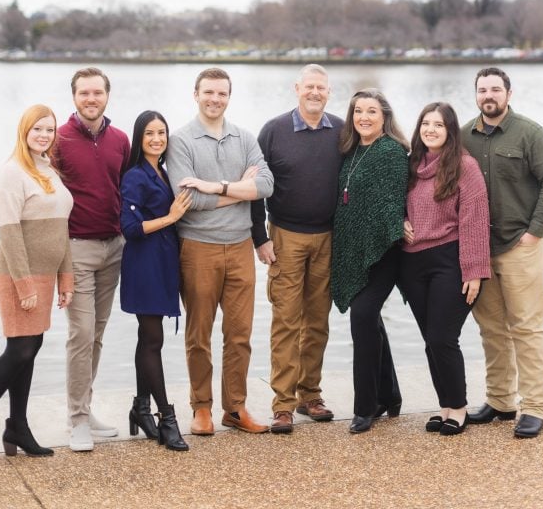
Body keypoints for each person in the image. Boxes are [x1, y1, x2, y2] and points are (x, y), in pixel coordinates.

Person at [0, 105, 74, 465]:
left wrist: (65, 276)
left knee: (31, 348)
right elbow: (9, 233)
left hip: (45, 273)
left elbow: (61, 229)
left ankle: (18, 427)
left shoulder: (49, 169)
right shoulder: (12, 172)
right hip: (16, 273)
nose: (44, 135)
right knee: (19, 351)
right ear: (24, 131)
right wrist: (25, 285)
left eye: (50, 129)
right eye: (37, 129)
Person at [166, 67, 274, 436]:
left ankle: (235, 407)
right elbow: (189, 199)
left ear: (229, 96)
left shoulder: (244, 138)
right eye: (208, 92)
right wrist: (238, 190)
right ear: (195, 94)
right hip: (198, 249)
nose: (215, 99)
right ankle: (201, 408)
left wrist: (219, 187)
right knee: (199, 333)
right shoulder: (180, 141)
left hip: (241, 247)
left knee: (240, 333)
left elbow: (265, 185)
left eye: (222, 93)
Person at [462, 67, 543, 439]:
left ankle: (534, 407)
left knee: (526, 328)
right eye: (482, 90)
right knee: (491, 329)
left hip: (521, 246)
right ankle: (501, 401)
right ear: (475, 95)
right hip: (480, 251)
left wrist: (536, 232)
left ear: (508, 92)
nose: (488, 95)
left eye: (495, 89)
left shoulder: (530, 133)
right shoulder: (464, 136)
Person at [252, 64, 344, 434]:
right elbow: (256, 186)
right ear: (297, 88)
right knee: (287, 321)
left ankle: (310, 395)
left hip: (328, 237)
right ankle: (283, 404)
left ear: (329, 91)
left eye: (321, 88)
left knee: (318, 321)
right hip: (285, 236)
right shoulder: (273, 131)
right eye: (309, 87)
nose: (315, 93)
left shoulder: (341, 130)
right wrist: (260, 236)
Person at [400, 102, 491, 435]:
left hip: (449, 260)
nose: (431, 130)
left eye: (438, 124)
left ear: (450, 131)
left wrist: (474, 271)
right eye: (426, 123)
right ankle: (445, 406)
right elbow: (394, 204)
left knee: (442, 337)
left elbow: (475, 221)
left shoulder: (463, 166)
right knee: (430, 340)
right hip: (411, 263)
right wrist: (400, 222)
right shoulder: (411, 164)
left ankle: (459, 407)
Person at [53, 67, 131, 452]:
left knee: (96, 335)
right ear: (74, 97)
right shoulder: (59, 140)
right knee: (79, 335)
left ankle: (86, 408)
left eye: (97, 92)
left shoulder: (120, 139)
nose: (91, 99)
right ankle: (77, 420)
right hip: (77, 249)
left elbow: (126, 189)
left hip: (113, 247)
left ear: (107, 96)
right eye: (84, 93)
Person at [331, 89, 408, 434]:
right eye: (358, 111)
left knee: (362, 318)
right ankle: (390, 395)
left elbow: (389, 205)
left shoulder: (391, 151)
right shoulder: (351, 151)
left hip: (385, 252)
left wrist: (381, 234)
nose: (364, 117)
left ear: (384, 116)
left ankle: (366, 407)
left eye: (371, 111)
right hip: (356, 249)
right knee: (370, 319)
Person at [120, 110, 191, 452]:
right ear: (139, 137)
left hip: (163, 263)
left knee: (146, 339)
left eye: (162, 132)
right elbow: (130, 229)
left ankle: (141, 408)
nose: (157, 139)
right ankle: (167, 417)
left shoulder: (163, 172)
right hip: (144, 265)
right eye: (149, 133)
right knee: (153, 340)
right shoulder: (135, 176)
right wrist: (172, 216)